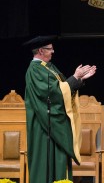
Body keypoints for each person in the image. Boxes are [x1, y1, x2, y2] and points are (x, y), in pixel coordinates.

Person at [24, 35, 97, 183]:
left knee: (59, 161)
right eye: (50, 49)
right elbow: (51, 92)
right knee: (46, 161)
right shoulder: (35, 70)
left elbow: (63, 88)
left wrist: (79, 79)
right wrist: (75, 77)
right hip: (44, 125)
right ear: (40, 51)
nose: (53, 51)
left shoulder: (48, 67)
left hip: (52, 123)